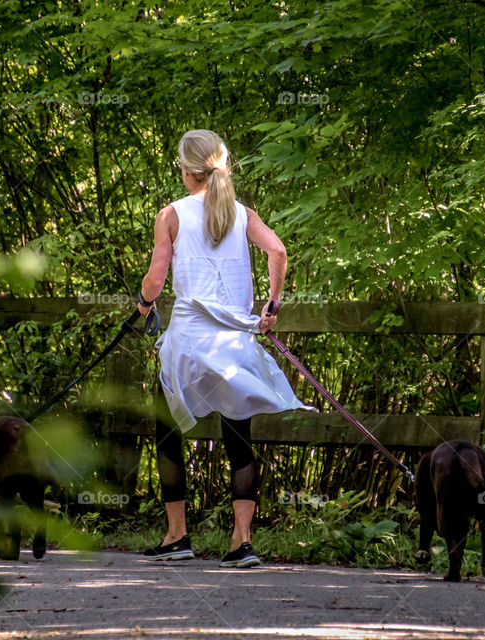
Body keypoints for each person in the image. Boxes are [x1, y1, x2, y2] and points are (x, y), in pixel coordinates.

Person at [136, 129, 314, 568]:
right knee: (239, 438)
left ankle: (177, 535)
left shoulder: (171, 215)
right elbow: (278, 250)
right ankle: (241, 543)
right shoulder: (242, 213)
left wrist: (143, 305)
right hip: (234, 343)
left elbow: (156, 280)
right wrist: (271, 305)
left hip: (188, 346)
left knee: (168, 432)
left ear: (184, 169)